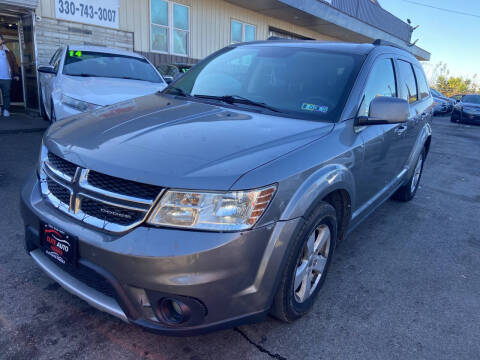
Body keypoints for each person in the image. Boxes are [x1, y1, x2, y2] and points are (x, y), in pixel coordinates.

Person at [0, 34, 20, 117]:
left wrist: (16, 74)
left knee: (6, 94)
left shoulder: (8, 51)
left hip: (6, 77)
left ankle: (6, 109)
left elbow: (14, 64)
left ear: (2, 40)